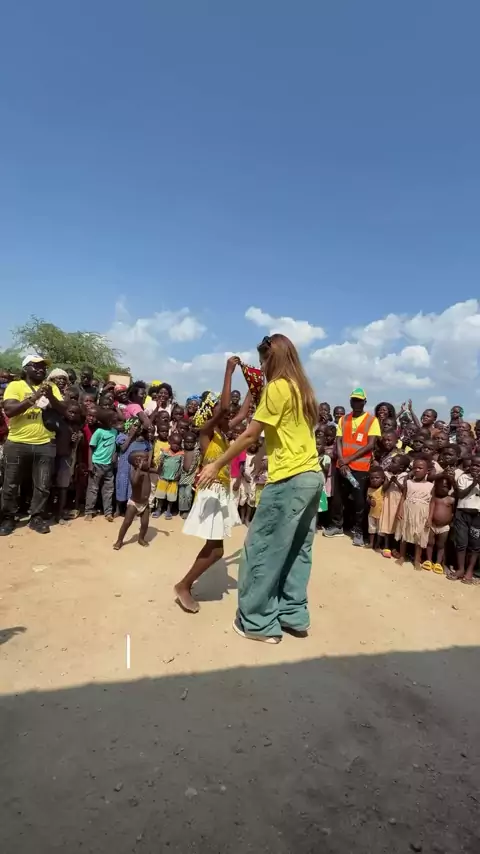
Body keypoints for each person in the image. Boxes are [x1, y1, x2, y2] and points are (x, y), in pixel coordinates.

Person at [197, 335, 322, 643]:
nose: (262, 366)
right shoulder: (302, 389)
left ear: (272, 358)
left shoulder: (277, 388)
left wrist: (215, 464)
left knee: (261, 549)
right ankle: (293, 613)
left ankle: (257, 622)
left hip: (289, 479)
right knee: (297, 549)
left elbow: (250, 435)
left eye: (263, 360)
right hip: (312, 477)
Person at [174, 362, 242, 613]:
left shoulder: (223, 434)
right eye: (220, 412)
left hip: (221, 491)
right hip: (211, 491)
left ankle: (184, 585)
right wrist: (229, 372)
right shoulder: (206, 432)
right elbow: (224, 407)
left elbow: (244, 412)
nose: (227, 414)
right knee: (216, 550)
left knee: (217, 550)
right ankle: (183, 585)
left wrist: (257, 383)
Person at [0, 355, 66, 535]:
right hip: (17, 442)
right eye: (35, 366)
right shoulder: (16, 386)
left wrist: (50, 396)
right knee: (11, 484)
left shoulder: (51, 387)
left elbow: (64, 410)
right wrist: (34, 398)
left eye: (43, 366)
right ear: (25, 368)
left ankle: (36, 517)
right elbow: (9, 410)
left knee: (43, 485)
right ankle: (8, 517)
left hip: (45, 443)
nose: (40, 369)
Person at [324, 388, 381, 546]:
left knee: (359, 501)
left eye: (359, 400)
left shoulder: (372, 420)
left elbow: (370, 444)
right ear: (350, 401)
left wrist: (348, 460)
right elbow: (339, 440)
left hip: (360, 469)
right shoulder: (343, 419)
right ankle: (337, 526)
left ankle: (358, 531)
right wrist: (342, 461)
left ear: (364, 402)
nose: (356, 403)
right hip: (342, 467)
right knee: (338, 498)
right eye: (354, 400)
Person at [395, 456, 433, 570]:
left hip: (422, 513)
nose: (417, 470)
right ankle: (402, 556)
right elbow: (403, 497)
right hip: (408, 510)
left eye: (420, 468)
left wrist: (430, 518)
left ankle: (417, 560)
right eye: (415, 468)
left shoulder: (431, 485)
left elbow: (432, 502)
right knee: (404, 533)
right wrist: (400, 509)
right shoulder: (408, 482)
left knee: (419, 536)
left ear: (427, 471)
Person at [113, 450, 155, 550]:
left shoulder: (147, 470)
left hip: (145, 503)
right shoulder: (134, 472)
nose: (148, 462)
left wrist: (161, 464)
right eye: (146, 460)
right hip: (134, 503)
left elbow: (159, 472)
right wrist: (139, 469)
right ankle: (119, 541)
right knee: (127, 523)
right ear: (137, 462)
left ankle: (141, 538)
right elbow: (134, 483)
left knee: (145, 523)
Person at [448, 455, 480, 584]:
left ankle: (469, 571)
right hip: (462, 513)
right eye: (473, 465)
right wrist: (474, 483)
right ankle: (460, 569)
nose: (475, 468)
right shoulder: (464, 477)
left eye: (478, 466)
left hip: (477, 516)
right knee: (461, 543)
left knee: (475, 546)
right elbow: (460, 495)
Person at [84, 410, 117, 522]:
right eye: (112, 420)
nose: (114, 421)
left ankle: (108, 512)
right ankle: (89, 511)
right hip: (97, 464)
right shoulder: (98, 432)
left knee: (108, 490)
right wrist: (90, 465)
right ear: (105, 421)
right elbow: (91, 448)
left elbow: (115, 447)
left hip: (109, 466)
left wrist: (114, 455)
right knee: (93, 489)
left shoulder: (114, 432)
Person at [378, 454, 409, 558]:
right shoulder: (387, 474)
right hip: (388, 502)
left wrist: (396, 482)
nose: (391, 464)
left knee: (397, 526)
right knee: (388, 524)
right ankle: (386, 547)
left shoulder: (405, 476)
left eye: (394, 462)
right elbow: (384, 489)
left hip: (399, 503)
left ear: (401, 467)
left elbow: (405, 490)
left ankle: (394, 547)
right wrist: (390, 481)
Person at [424, 474, 455, 574]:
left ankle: (438, 563)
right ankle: (429, 560)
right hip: (432, 525)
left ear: (449, 488)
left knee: (441, 545)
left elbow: (453, 512)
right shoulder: (434, 498)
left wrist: (451, 521)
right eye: (439, 486)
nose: (442, 489)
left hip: (444, 527)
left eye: (445, 486)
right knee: (430, 543)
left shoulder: (451, 499)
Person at [154, 431, 183, 519]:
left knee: (171, 497)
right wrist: (159, 471)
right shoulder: (165, 452)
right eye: (174, 443)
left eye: (178, 444)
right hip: (163, 478)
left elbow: (181, 466)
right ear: (169, 442)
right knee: (160, 496)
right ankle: (158, 509)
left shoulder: (181, 454)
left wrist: (178, 475)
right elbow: (160, 463)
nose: (176, 446)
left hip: (173, 479)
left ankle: (168, 510)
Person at [178, 431, 201, 518]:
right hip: (182, 475)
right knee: (181, 494)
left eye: (191, 442)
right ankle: (181, 509)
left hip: (191, 475)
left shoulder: (196, 452)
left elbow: (199, 463)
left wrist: (197, 473)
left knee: (188, 494)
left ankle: (186, 510)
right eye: (187, 442)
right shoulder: (181, 451)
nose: (189, 444)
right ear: (184, 442)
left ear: (195, 443)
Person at [366, 466, 385, 549]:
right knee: (371, 529)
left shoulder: (383, 488)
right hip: (372, 513)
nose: (374, 480)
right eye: (372, 478)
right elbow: (367, 498)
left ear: (382, 479)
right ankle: (371, 543)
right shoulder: (369, 489)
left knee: (380, 531)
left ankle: (377, 545)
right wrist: (369, 501)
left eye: (377, 478)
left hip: (381, 514)